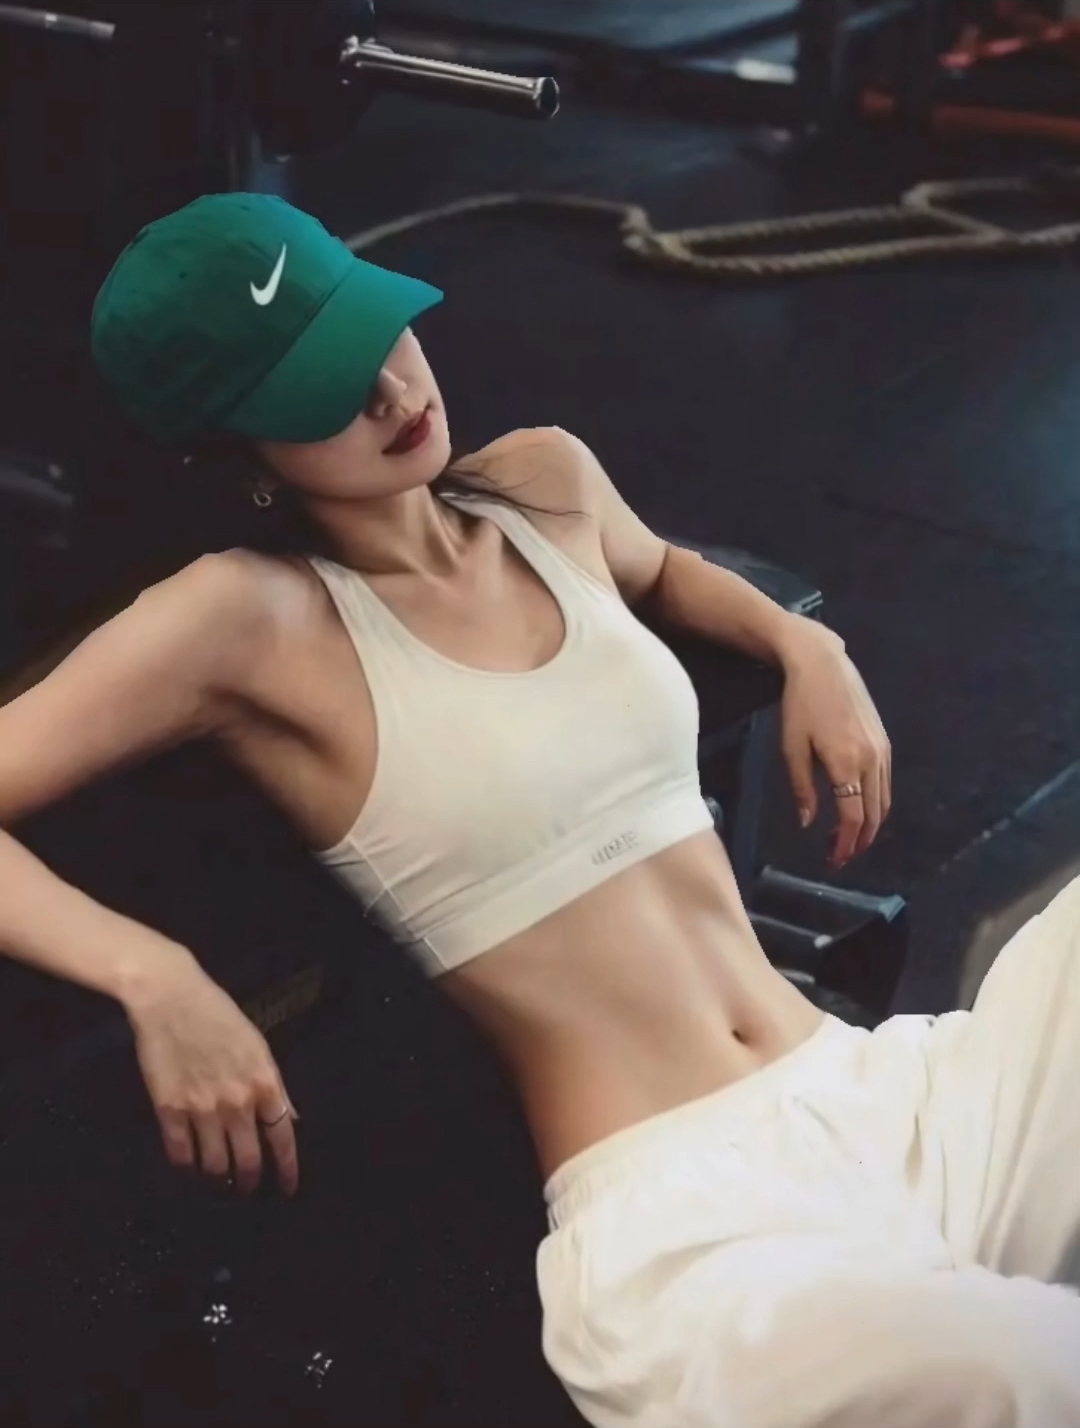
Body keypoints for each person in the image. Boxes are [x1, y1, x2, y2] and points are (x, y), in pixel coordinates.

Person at [1, 192, 1078, 1428]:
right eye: (326, 390)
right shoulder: (244, 620)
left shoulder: (545, 483)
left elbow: (666, 569)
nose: (392, 393)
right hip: (706, 1231)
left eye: (377, 336)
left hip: (894, 1099)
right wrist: (153, 976)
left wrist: (802, 646)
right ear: (241, 455)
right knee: (1030, 1364)